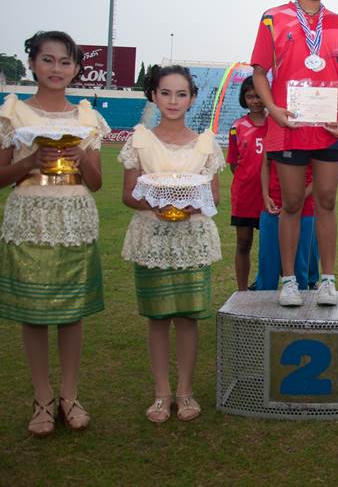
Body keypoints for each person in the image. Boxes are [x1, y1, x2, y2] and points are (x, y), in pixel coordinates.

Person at [0, 31, 109, 436]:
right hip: (30, 218)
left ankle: (70, 395)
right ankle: (42, 397)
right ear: (32, 64)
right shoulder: (13, 114)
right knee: (34, 313)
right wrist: (29, 162)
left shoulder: (87, 118)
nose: (56, 68)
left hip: (74, 220)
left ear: (77, 68)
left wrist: (82, 158)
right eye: (47, 59)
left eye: (65, 62)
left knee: (70, 312)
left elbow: (96, 183)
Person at [251, 0, 338, 307]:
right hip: (289, 125)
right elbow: (259, 72)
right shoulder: (273, 18)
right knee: (293, 203)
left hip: (329, 127)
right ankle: (289, 281)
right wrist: (272, 109)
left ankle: (327, 280)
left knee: (326, 200)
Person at [119, 65, 224, 423]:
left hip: (191, 239)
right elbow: (129, 194)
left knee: (188, 316)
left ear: (192, 99)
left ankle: (185, 391)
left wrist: (192, 205)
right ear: (153, 95)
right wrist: (156, 205)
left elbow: (213, 198)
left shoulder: (206, 143)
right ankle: (162, 393)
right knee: (158, 316)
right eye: (165, 93)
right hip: (152, 238)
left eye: (181, 94)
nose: (173, 101)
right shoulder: (139, 141)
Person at [226, 76, 267, 290]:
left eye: (259, 95)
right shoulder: (237, 127)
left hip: (271, 196)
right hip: (244, 196)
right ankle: (242, 292)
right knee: (243, 243)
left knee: (272, 246)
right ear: (244, 99)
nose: (255, 101)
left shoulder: (276, 124)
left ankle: (268, 287)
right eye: (250, 96)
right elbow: (234, 164)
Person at [256, 160, 319, 290]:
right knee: (268, 264)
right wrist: (265, 196)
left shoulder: (313, 145)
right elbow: (266, 164)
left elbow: (320, 174)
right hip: (273, 206)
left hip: (303, 209)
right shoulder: (273, 144)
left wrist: (299, 199)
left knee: (299, 267)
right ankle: (264, 300)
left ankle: (300, 296)